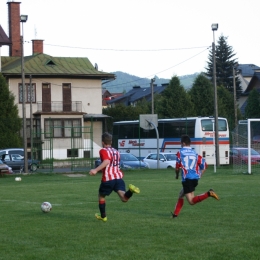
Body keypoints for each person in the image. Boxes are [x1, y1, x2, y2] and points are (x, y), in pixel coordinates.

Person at [89, 132, 140, 222]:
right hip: (118, 178)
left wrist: (95, 170)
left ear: (102, 142)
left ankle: (103, 216)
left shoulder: (103, 150)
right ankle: (131, 191)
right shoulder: (116, 151)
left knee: (101, 196)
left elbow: (106, 161)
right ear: (111, 141)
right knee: (124, 198)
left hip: (108, 179)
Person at [171, 134, 219, 218]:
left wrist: (177, 175)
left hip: (187, 179)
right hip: (194, 179)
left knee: (191, 201)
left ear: (184, 143)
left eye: (181, 143)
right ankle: (175, 214)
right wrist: (199, 175)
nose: (180, 145)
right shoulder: (195, 153)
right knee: (181, 194)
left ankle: (209, 193)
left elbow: (177, 167)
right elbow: (204, 165)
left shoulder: (180, 153)